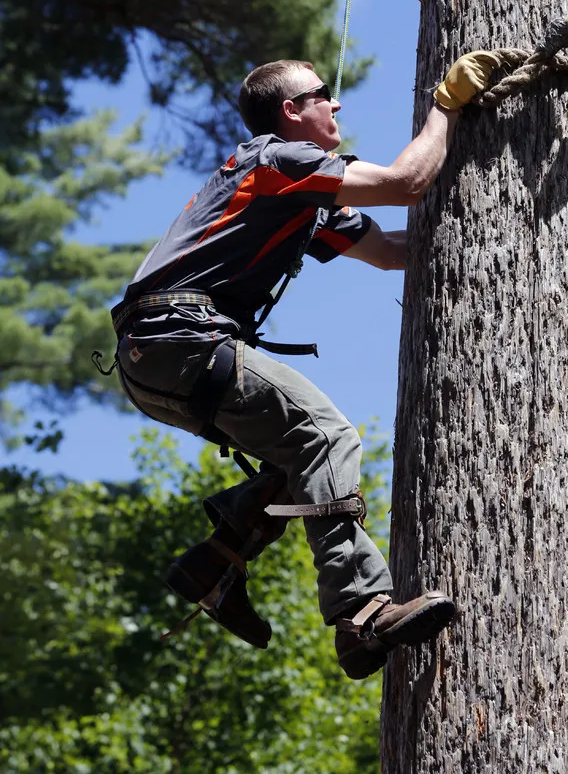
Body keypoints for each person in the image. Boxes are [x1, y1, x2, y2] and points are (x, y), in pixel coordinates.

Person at [111, 51, 499, 679]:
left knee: (301, 459)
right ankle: (363, 610)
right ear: (292, 111)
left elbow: (391, 252)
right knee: (326, 436)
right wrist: (446, 106)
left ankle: (217, 561)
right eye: (323, 93)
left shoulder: (298, 193)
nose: (337, 102)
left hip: (153, 360)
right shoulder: (275, 159)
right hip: (180, 338)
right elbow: (407, 183)